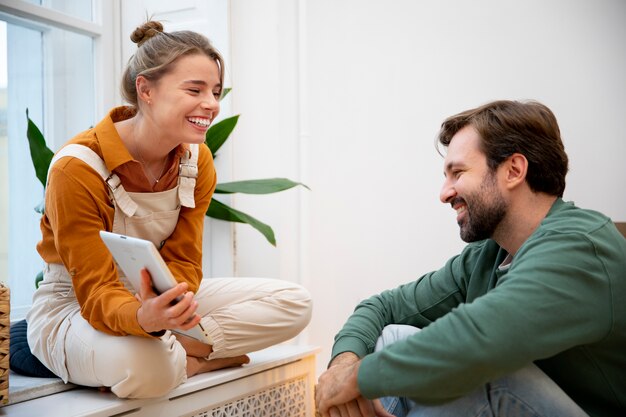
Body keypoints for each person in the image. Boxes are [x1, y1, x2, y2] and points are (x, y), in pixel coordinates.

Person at [26, 20, 312, 399]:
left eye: (215, 91)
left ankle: (180, 351)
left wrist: (168, 309)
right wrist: (142, 318)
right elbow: (95, 291)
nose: (210, 104)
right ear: (146, 90)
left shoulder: (197, 160)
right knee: (147, 368)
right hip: (75, 307)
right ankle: (193, 357)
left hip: (160, 296)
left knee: (294, 304)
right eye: (195, 89)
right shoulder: (77, 168)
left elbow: (184, 260)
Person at [315, 100, 626, 417]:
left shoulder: (580, 245)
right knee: (392, 337)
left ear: (513, 171)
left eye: (458, 173)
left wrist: (358, 378)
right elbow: (383, 307)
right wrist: (343, 364)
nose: (444, 193)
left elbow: (481, 339)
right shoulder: (487, 256)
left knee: (486, 376)